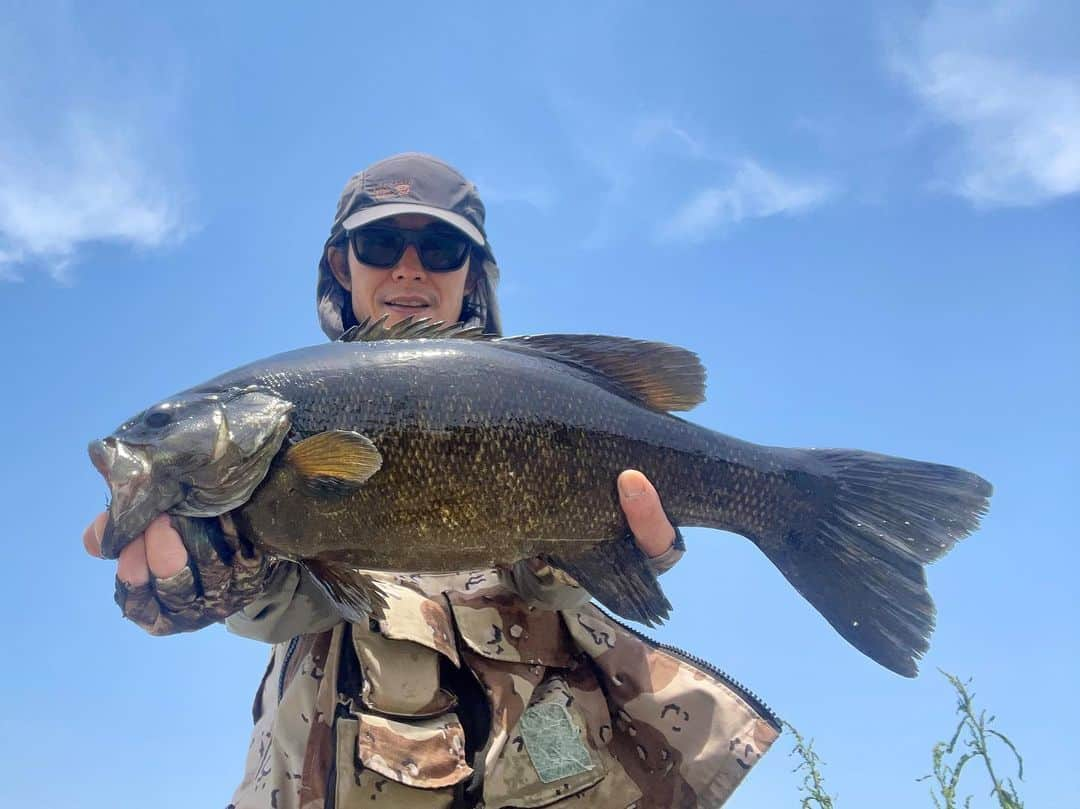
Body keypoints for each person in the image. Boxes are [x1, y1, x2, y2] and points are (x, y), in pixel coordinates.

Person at [83, 153, 779, 808]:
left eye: (442, 251)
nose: (409, 270)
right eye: (380, 246)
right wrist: (210, 574)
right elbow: (283, 603)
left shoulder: (533, 389)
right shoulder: (277, 450)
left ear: (474, 275)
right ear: (341, 263)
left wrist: (602, 554)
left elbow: (545, 584)